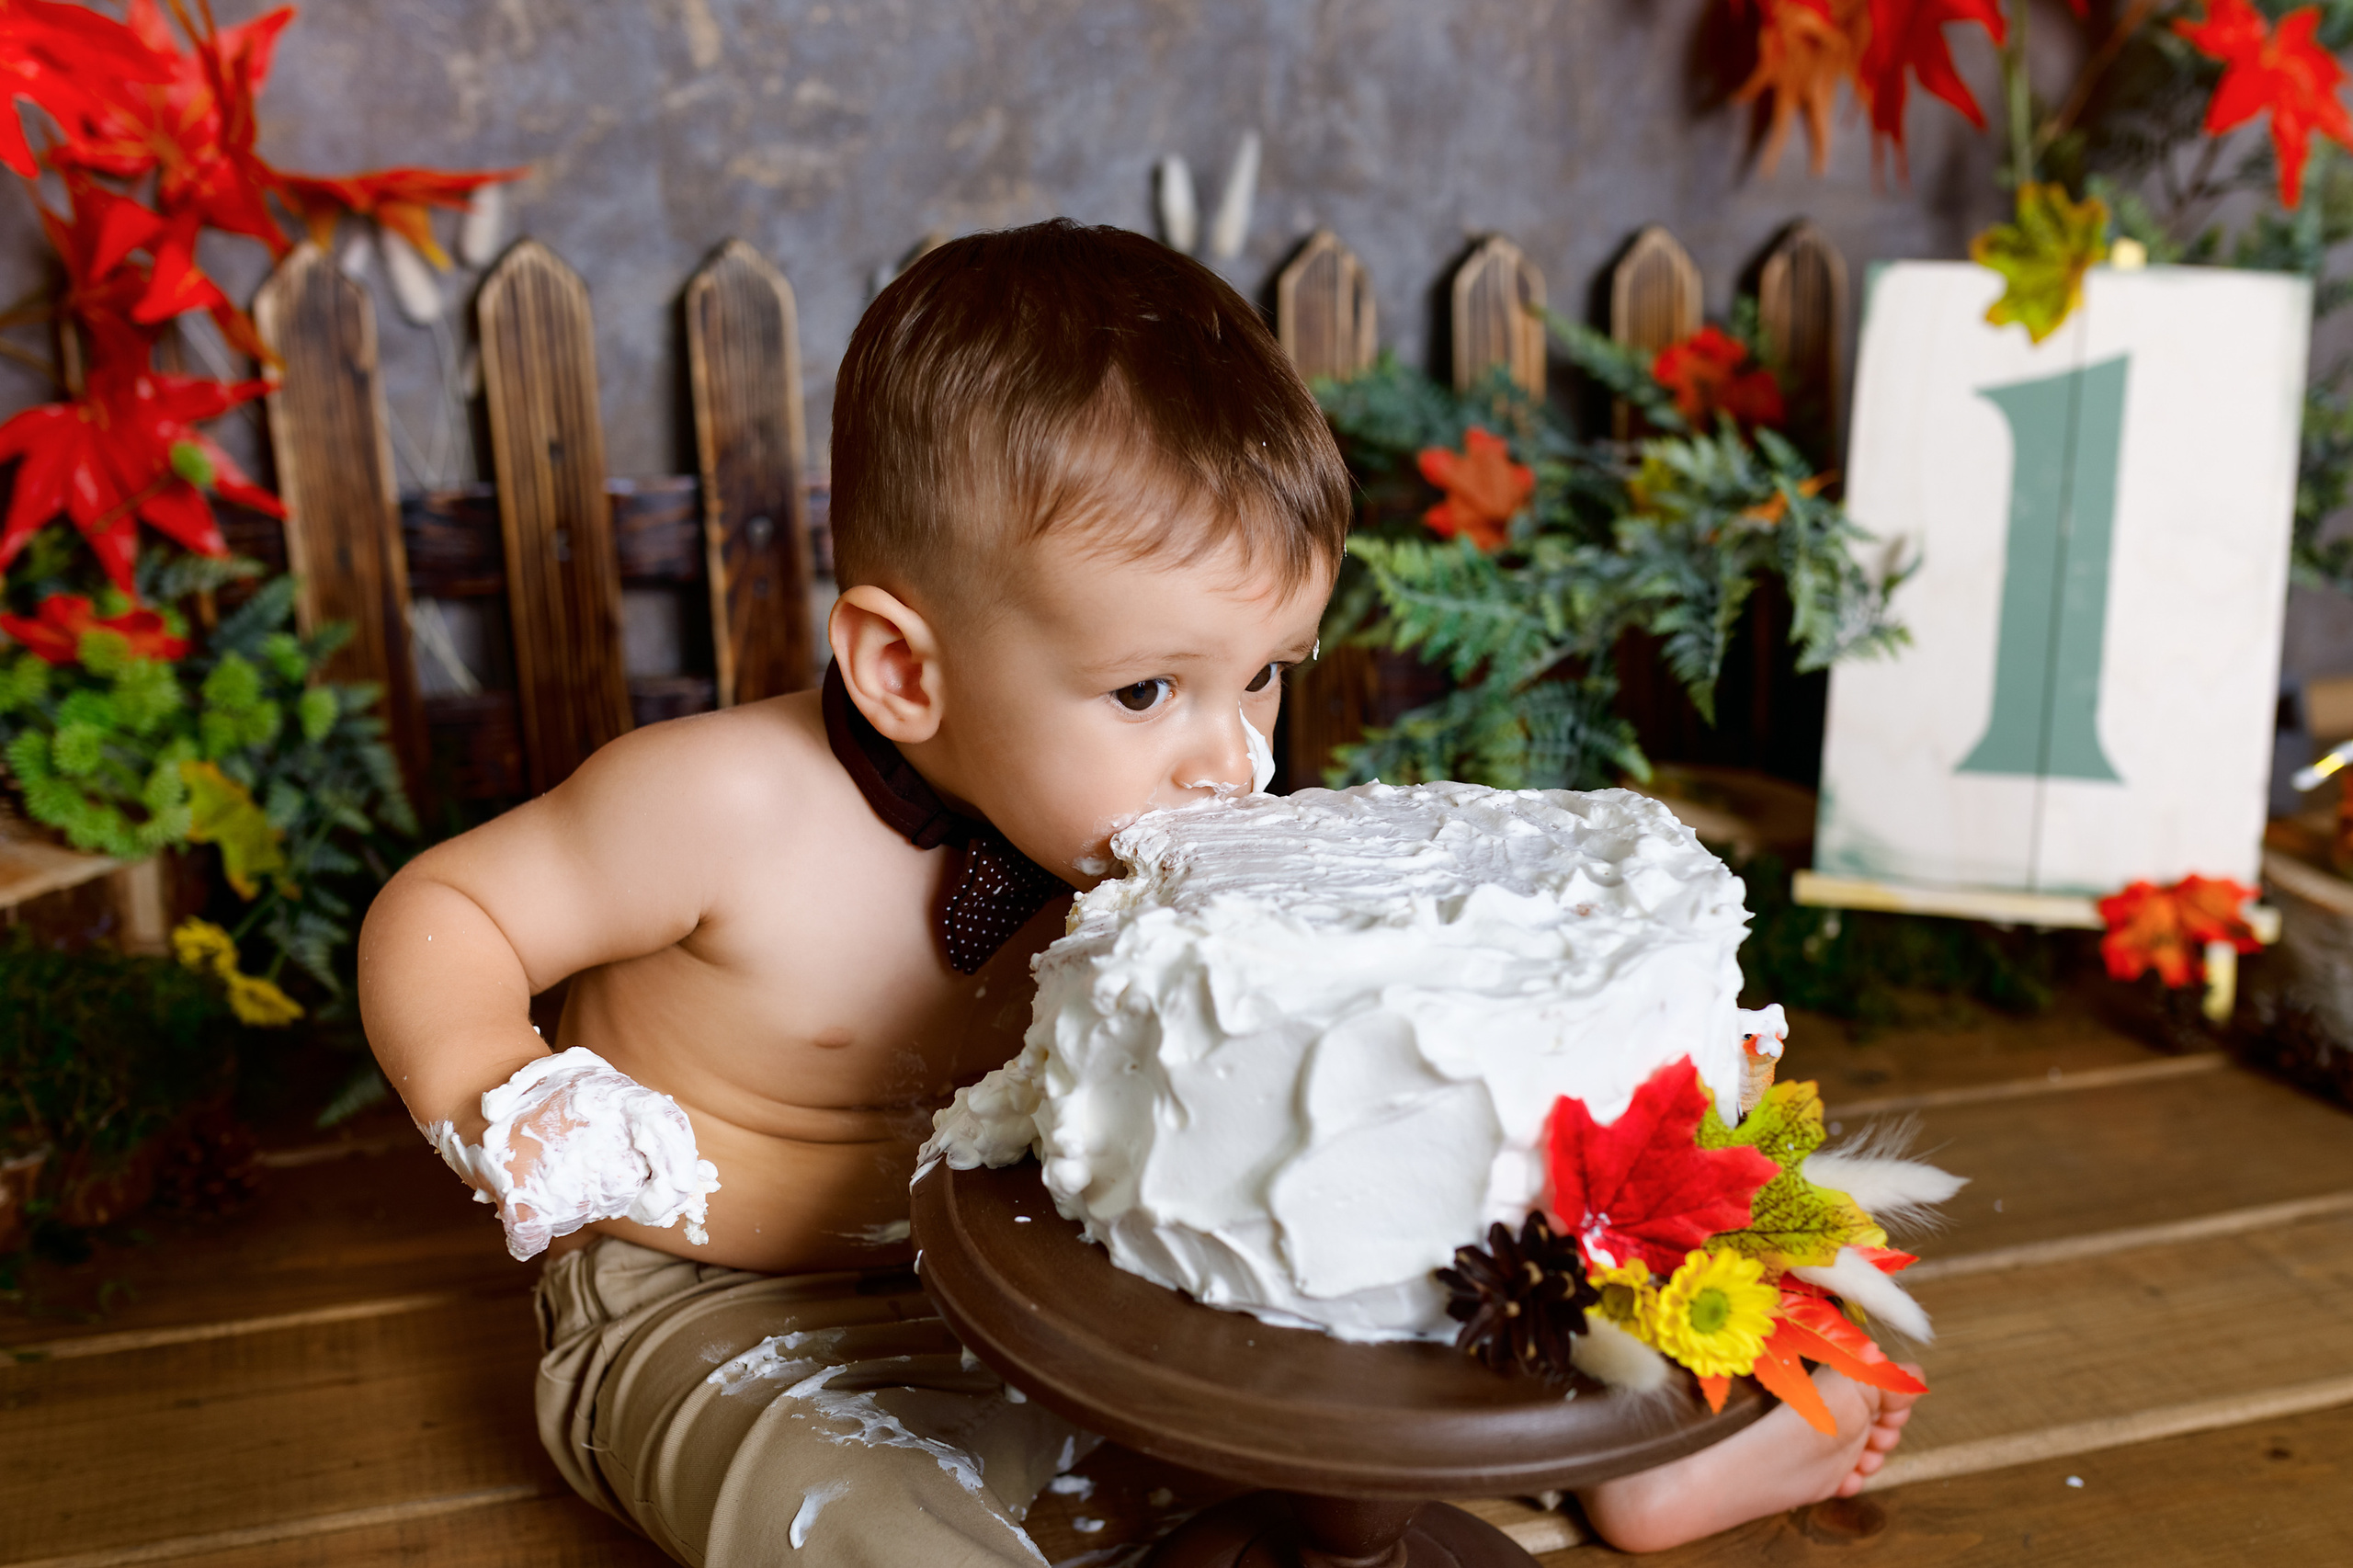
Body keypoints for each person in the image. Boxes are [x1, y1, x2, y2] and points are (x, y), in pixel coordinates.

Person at [357, 219, 1914, 1566]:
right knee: (847, 1506)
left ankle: (1636, 1451)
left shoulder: (1198, 831)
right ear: (906, 668)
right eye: (1150, 687)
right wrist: (507, 1093)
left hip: (1073, 1278)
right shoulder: (720, 804)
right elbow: (450, 914)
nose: (1228, 758)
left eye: (1265, 679)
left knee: (1352, 1356)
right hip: (715, 1294)